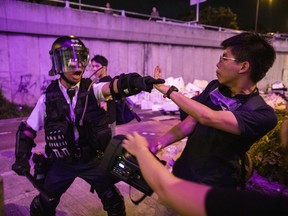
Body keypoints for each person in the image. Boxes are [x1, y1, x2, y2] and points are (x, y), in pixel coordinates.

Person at [11, 35, 164, 216]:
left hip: (92, 159)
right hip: (62, 163)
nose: (78, 65)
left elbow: (113, 86)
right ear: (59, 63)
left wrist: (137, 82)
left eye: (81, 59)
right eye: (70, 60)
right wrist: (21, 157)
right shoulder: (47, 99)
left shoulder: (93, 89)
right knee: (43, 205)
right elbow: (28, 130)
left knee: (113, 201)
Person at [150, 32, 277, 190]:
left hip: (214, 193)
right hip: (181, 177)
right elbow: (188, 124)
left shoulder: (262, 114)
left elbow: (207, 117)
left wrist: (168, 91)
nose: (218, 64)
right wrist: (156, 145)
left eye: (224, 58)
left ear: (244, 66)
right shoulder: (214, 87)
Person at [122, 131, 288, 216]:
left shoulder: (261, 206)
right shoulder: (213, 90)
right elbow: (190, 121)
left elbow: (167, 189)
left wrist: (140, 149)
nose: (218, 65)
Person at [91, 55, 139, 136]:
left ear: (104, 68)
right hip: (111, 121)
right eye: (92, 66)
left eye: (97, 66)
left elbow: (104, 106)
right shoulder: (109, 81)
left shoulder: (105, 84)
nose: (94, 69)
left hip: (107, 122)